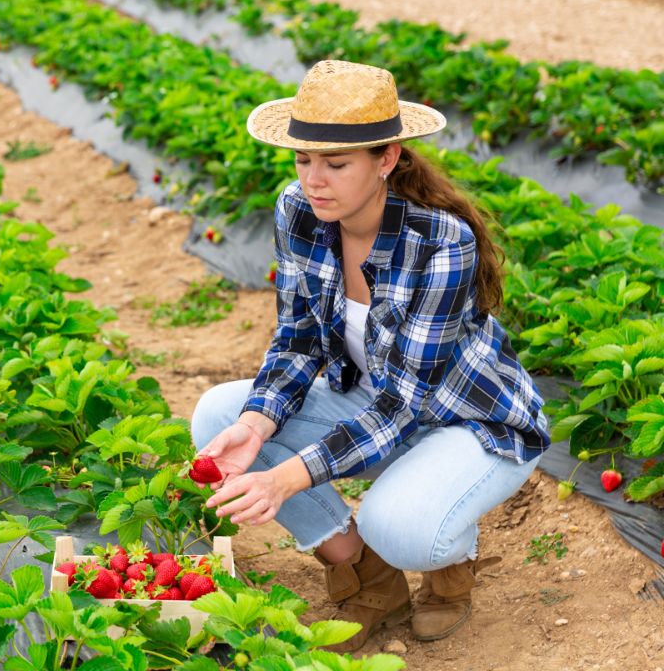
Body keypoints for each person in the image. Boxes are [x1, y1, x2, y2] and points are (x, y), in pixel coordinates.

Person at [192, 60, 550, 652]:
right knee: (221, 417)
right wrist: (257, 424)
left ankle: (449, 568)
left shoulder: (440, 241)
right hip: (370, 398)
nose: (314, 180)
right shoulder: (299, 210)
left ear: (386, 159)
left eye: (335, 163)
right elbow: (299, 337)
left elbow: (404, 403)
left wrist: (287, 476)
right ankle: (370, 578)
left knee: (400, 525)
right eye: (303, 159)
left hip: (467, 421)